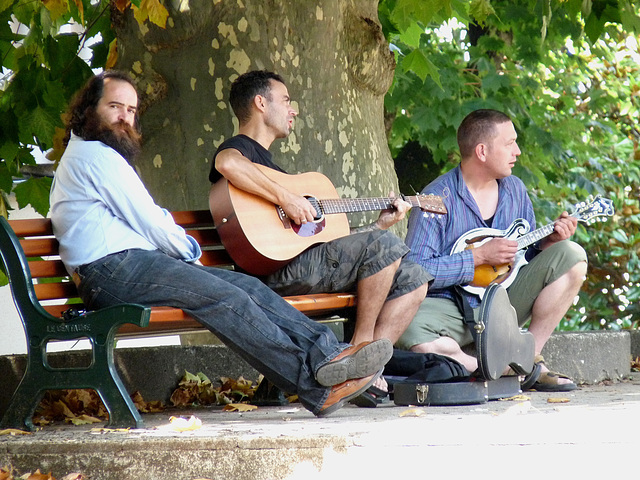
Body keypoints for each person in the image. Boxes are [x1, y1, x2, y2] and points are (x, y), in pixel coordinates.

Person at [49, 70, 395, 418]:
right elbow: (151, 222)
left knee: (246, 286)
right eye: (115, 106)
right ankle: (316, 385)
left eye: (132, 109)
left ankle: (329, 356)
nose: (125, 117)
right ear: (89, 109)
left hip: (130, 266)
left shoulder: (97, 156)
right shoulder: (95, 157)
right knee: (225, 296)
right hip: (113, 270)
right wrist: (192, 258)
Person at [209, 70, 432, 352]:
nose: (294, 111)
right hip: (274, 274)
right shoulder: (240, 148)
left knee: (414, 277)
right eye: (286, 100)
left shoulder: (273, 172)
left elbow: (331, 248)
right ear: (261, 104)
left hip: (305, 267)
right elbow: (227, 163)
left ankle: (370, 367)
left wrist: (379, 227)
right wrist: (286, 198)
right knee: (386, 247)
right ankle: (358, 349)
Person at [397, 109, 588, 392]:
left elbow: (524, 257)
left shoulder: (515, 190)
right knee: (409, 331)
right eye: (509, 143)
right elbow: (413, 271)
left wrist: (547, 244)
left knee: (572, 256)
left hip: (502, 300)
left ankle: (527, 357)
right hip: (450, 307)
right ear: (482, 151)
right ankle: (492, 366)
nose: (518, 151)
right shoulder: (435, 199)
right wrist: (477, 257)